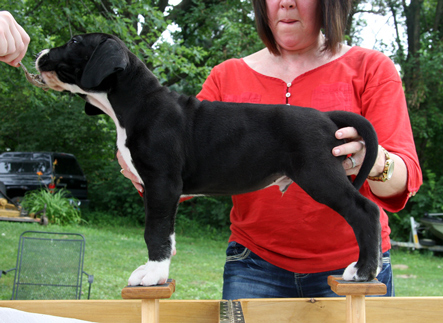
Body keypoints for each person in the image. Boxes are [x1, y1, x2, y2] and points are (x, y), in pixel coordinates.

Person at [118, 0, 422, 299]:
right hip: (253, 265)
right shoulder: (226, 75)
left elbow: (406, 179)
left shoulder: (371, 68)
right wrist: (142, 161)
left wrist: (375, 160)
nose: (286, 3)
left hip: (349, 262)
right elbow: (179, 175)